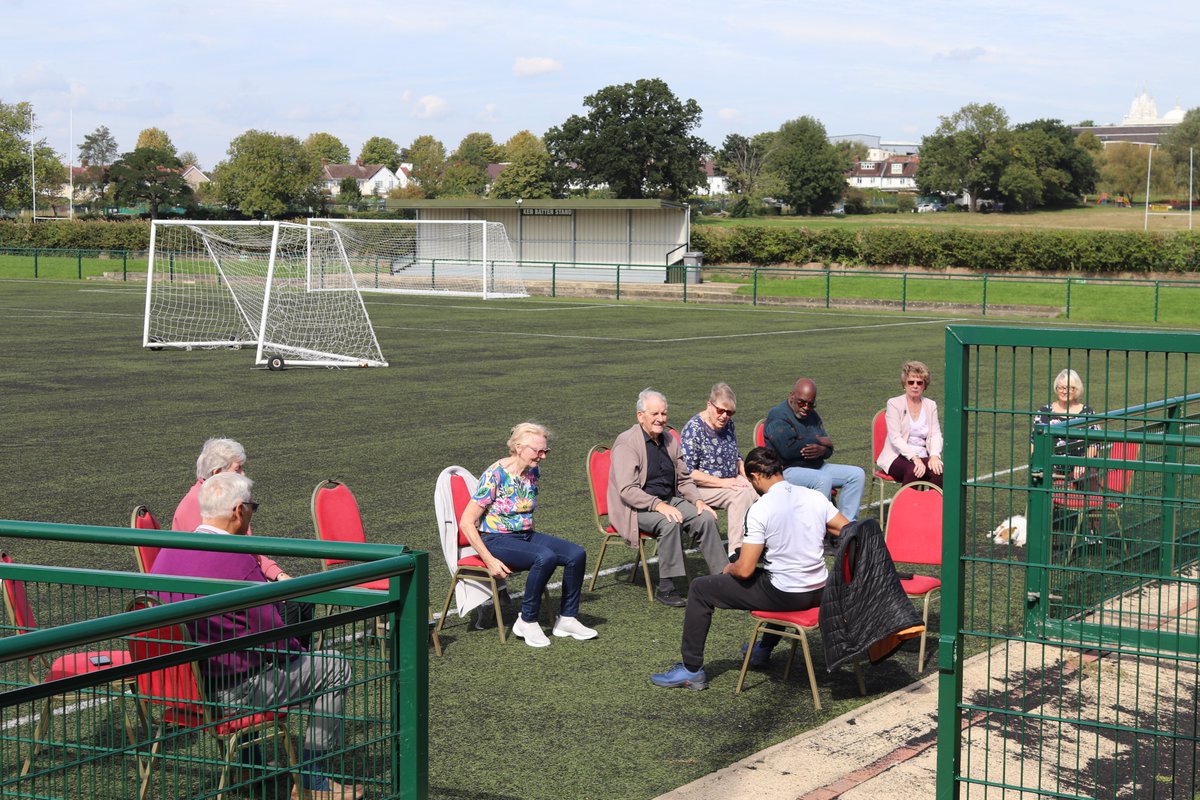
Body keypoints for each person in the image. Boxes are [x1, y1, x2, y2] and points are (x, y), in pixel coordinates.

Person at [151, 472, 362, 800]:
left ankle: (258, 768)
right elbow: (276, 635)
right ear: (238, 511)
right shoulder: (236, 559)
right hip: (234, 691)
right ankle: (312, 781)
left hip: (182, 689)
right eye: (252, 507)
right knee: (333, 666)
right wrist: (297, 653)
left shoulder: (165, 554)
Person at [650, 447, 849, 690]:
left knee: (700, 589)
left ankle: (691, 670)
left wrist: (729, 568)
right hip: (820, 590)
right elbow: (847, 529)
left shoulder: (761, 508)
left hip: (787, 595)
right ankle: (763, 649)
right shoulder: (814, 497)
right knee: (773, 575)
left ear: (755, 476)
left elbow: (744, 570)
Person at [458, 422, 597, 648]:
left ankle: (567, 619)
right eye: (538, 451)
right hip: (496, 539)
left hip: (525, 535)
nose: (542, 456)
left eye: (545, 451)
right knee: (545, 557)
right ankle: (527, 619)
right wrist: (489, 560)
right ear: (518, 447)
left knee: (576, 554)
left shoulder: (533, 471)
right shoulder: (495, 475)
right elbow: (466, 522)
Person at [608, 388, 728, 607]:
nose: (660, 419)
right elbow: (627, 490)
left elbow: (683, 479)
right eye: (655, 414)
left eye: (663, 414)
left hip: (667, 500)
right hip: (634, 508)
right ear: (640, 416)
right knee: (669, 522)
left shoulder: (670, 440)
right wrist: (658, 505)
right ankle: (666, 587)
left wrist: (699, 501)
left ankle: (723, 580)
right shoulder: (627, 443)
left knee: (706, 517)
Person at [172, 437, 290, 581]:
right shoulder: (201, 504)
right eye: (237, 469)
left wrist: (277, 573)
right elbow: (225, 562)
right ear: (217, 474)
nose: (243, 474)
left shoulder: (217, 498)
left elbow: (247, 550)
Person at [763, 378, 866, 521]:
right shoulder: (777, 415)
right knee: (823, 479)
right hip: (787, 470)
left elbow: (829, 449)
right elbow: (788, 450)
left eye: (811, 404)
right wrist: (818, 441)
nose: (806, 407)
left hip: (817, 466)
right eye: (801, 402)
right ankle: (817, 532)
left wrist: (822, 450)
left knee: (856, 474)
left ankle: (845, 529)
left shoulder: (813, 415)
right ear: (791, 396)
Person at [679, 382, 757, 557]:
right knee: (739, 494)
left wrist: (748, 475)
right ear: (709, 405)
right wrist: (724, 483)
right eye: (720, 410)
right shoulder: (694, 429)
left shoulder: (729, 425)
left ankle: (758, 544)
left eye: (729, 413)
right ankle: (736, 551)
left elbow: (735, 456)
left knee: (761, 489)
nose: (724, 416)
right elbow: (689, 472)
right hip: (700, 487)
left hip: (729, 478)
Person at [876, 360, 944, 488]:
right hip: (897, 456)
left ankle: (933, 507)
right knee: (914, 470)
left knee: (939, 471)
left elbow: (936, 434)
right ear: (904, 384)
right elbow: (895, 438)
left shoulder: (931, 405)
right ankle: (906, 507)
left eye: (919, 383)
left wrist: (935, 455)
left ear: (924, 386)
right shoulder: (894, 403)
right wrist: (914, 458)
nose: (915, 386)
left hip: (924, 455)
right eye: (911, 382)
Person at [1030, 368, 1100, 485]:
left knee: (1084, 477)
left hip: (1080, 468)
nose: (1064, 391)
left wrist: (1083, 463)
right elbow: (1034, 443)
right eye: (1060, 387)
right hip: (1051, 467)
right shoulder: (1044, 412)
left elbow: (1094, 444)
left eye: (1069, 388)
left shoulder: (1087, 413)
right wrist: (1040, 463)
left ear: (1077, 390)